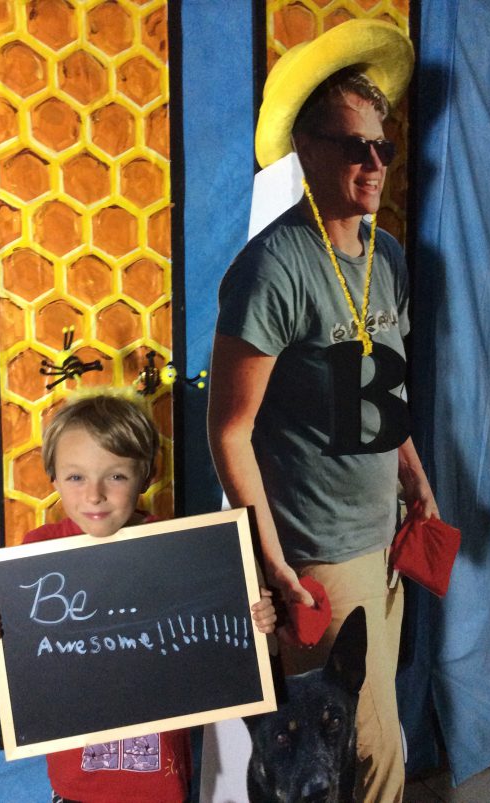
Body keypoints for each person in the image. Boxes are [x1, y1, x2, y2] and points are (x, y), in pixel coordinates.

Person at [207, 20, 438, 803]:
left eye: (383, 146)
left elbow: (385, 387)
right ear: (307, 151)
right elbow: (228, 427)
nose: (372, 163)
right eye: (351, 145)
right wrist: (270, 557)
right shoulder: (271, 268)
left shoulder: (389, 254)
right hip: (318, 551)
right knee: (363, 756)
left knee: (378, 732)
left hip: (384, 532)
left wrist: (414, 476)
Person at [0, 391, 276, 803]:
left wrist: (257, 619)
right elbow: (23, 645)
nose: (94, 495)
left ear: (146, 475)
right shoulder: (35, 553)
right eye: (76, 477)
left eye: (115, 476)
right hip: (76, 784)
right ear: (53, 479)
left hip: (160, 783)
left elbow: (227, 638)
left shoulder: (176, 551)